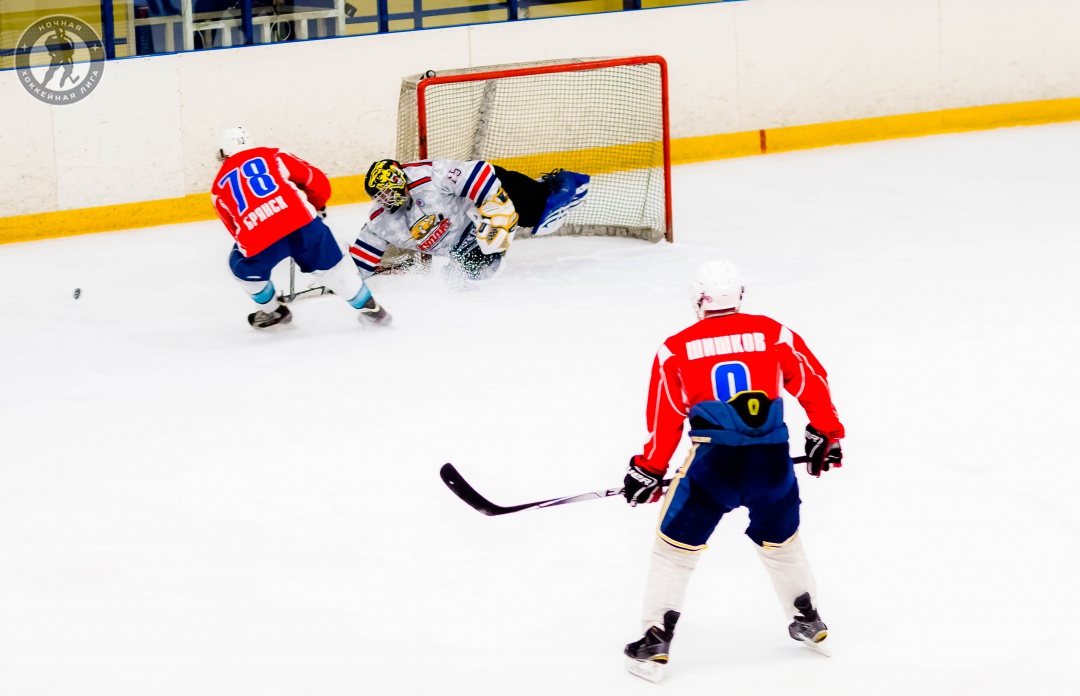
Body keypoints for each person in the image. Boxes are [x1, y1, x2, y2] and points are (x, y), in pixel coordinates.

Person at [621, 260, 845, 683]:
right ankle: (808, 618)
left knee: (674, 549)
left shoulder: (676, 347)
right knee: (782, 542)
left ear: (697, 301)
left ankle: (654, 640)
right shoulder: (773, 332)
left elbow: (665, 415)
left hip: (713, 468)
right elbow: (813, 381)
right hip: (772, 462)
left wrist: (649, 469)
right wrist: (827, 434)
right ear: (739, 295)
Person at [210, 127, 391, 329]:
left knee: (240, 268)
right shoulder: (273, 154)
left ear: (222, 153)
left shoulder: (218, 187)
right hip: (302, 222)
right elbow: (317, 181)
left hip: (258, 235)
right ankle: (372, 311)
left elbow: (235, 230)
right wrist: (317, 205)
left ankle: (273, 310)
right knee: (334, 270)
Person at [349, 158, 590, 280]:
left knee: (538, 212)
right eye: (380, 196)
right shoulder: (380, 221)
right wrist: (344, 279)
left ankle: (553, 189)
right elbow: (360, 260)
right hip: (463, 244)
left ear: (398, 181)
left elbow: (475, 172)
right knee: (469, 281)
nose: (385, 200)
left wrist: (497, 209)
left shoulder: (427, 176)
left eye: (387, 192)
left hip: (477, 209)